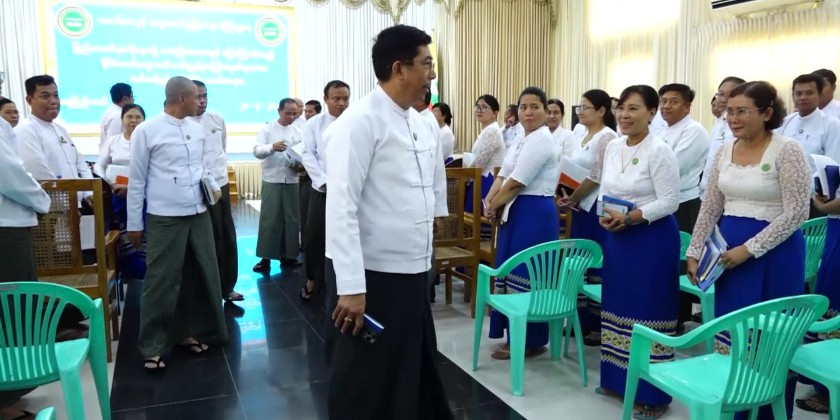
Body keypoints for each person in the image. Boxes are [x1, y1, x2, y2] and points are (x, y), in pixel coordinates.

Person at [325, 24, 451, 420]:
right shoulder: (359, 122)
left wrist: (437, 213)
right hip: (373, 272)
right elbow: (341, 207)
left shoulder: (422, 121)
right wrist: (351, 287)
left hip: (413, 266)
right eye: (426, 64)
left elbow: (433, 175)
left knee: (413, 360)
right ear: (399, 68)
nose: (432, 73)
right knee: (366, 371)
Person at [686, 81, 810, 420]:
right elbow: (711, 206)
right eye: (730, 112)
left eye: (742, 111)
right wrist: (694, 251)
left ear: (767, 113)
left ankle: (768, 412)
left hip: (775, 254)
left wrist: (750, 249)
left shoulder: (788, 150)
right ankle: (734, 408)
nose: (734, 119)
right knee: (734, 330)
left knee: (769, 336)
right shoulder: (723, 151)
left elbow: (797, 213)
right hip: (728, 256)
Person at [127, 76, 228, 373]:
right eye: (197, 97)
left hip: (198, 211)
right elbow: (137, 181)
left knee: (198, 274)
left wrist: (213, 190)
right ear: (182, 98)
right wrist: (135, 223)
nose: (201, 102)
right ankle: (152, 345)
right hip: (165, 215)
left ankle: (187, 331)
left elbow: (201, 168)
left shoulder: (196, 129)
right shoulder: (147, 131)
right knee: (161, 280)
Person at [595, 85, 680, 420]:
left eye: (633, 109)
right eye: (621, 108)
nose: (625, 115)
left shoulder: (659, 150)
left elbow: (670, 201)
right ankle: (617, 381)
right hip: (619, 237)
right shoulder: (614, 146)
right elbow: (605, 188)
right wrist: (604, 214)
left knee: (647, 310)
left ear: (651, 113)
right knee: (619, 305)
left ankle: (652, 394)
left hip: (651, 239)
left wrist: (631, 218)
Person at [484, 86, 561, 360]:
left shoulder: (542, 140)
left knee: (527, 275)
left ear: (546, 111)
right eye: (524, 107)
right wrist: (489, 201)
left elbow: (518, 182)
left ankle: (529, 340)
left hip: (534, 213)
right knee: (509, 270)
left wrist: (494, 205)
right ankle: (512, 333)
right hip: (514, 209)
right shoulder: (520, 138)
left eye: (535, 107)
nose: (528, 112)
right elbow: (503, 175)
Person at [556, 89, 618, 346]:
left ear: (601, 111)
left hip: (596, 207)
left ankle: (597, 324)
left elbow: (596, 176)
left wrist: (572, 197)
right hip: (580, 206)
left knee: (596, 261)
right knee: (579, 260)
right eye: (579, 107)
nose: (580, 112)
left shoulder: (608, 137)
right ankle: (578, 319)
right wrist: (566, 194)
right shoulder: (581, 135)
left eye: (586, 107)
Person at [0, 116, 51, 420]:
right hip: (6, 227)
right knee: (13, 309)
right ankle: (4, 397)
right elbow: (9, 173)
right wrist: (42, 200)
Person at [187, 80, 242, 302]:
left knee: (225, 235)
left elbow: (222, 148)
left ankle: (227, 286)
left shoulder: (217, 118)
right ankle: (203, 292)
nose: (202, 101)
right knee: (202, 239)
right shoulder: (182, 123)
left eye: (205, 96)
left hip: (219, 184)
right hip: (195, 188)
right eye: (197, 97)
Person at [300, 80, 350, 302]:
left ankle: (343, 282)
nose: (341, 103)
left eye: (345, 99)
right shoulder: (315, 123)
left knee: (346, 236)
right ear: (326, 99)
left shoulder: (355, 121)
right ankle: (313, 279)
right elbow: (307, 154)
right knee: (315, 236)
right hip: (322, 190)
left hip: (349, 190)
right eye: (336, 99)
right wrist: (324, 182)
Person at [798, 175, 840, 413]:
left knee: (835, 293)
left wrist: (824, 205)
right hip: (835, 224)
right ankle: (825, 382)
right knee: (829, 290)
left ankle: (831, 386)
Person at [93, 104, 147, 280]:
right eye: (129, 116)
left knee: (144, 239)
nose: (133, 121)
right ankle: (128, 275)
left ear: (144, 120)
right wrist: (108, 184)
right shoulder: (113, 141)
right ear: (122, 120)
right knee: (123, 240)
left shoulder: (149, 141)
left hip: (144, 197)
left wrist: (132, 188)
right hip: (117, 198)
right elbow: (99, 166)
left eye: (138, 117)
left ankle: (142, 277)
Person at [252, 98, 303, 273]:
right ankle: (265, 258)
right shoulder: (267, 129)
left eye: (294, 114)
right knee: (270, 219)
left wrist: (301, 166)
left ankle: (289, 256)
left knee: (291, 219)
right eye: (288, 113)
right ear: (279, 111)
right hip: (272, 179)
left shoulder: (298, 132)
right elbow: (257, 151)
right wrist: (272, 147)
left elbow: (304, 154)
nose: (291, 117)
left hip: (292, 179)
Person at [16, 75, 94, 184]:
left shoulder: (61, 130)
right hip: (52, 194)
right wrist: (64, 193)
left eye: (56, 95)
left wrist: (89, 190)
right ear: (30, 100)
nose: (54, 101)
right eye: (45, 96)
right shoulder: (25, 130)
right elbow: (39, 173)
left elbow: (81, 165)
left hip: (76, 194)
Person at [700, 76, 744, 199]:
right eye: (720, 94)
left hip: (730, 195)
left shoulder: (743, 125)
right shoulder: (720, 121)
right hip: (708, 193)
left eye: (728, 95)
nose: (722, 99)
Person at [465, 94, 505, 214]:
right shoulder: (487, 130)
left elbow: (480, 162)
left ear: (494, 113)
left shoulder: (492, 131)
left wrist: (465, 177)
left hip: (486, 180)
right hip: (480, 177)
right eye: (477, 106)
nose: (479, 110)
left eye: (484, 107)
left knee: (475, 217)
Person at [100, 83, 133, 151]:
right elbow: (115, 143)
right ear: (125, 99)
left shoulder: (110, 111)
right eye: (132, 97)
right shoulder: (118, 116)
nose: (133, 100)